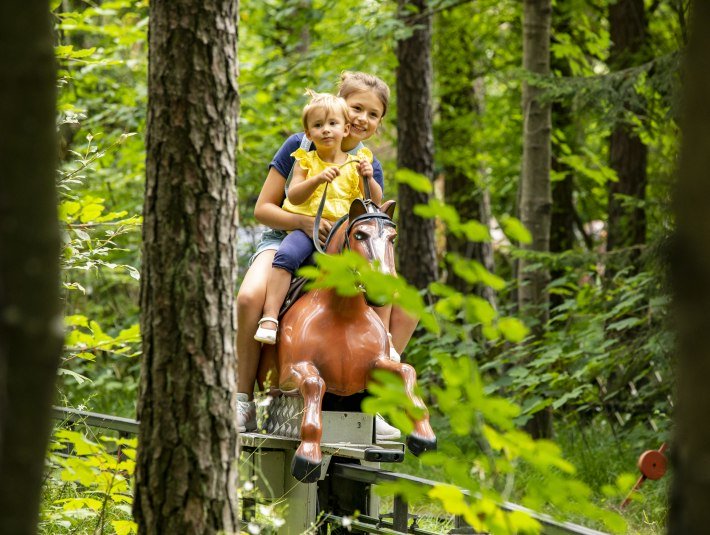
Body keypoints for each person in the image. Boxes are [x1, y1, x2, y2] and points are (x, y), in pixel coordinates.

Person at [237, 72, 418, 437]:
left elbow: (371, 220)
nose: (361, 119)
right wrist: (303, 223)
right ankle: (242, 398)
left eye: (373, 114)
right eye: (356, 108)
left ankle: (375, 396)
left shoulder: (367, 162)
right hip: (286, 236)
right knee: (248, 298)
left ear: (380, 123)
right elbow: (263, 209)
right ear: (339, 102)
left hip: (343, 253)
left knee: (407, 308)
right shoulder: (300, 145)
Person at [254, 90, 381, 344]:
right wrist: (316, 180)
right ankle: (270, 315)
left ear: (345, 129)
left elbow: (374, 202)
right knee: (287, 255)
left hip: (341, 238)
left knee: (373, 273)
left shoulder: (359, 162)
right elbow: (296, 196)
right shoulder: (305, 159)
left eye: (332, 124)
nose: (325, 130)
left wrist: (368, 178)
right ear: (308, 133)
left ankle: (379, 338)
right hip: (305, 231)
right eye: (318, 126)